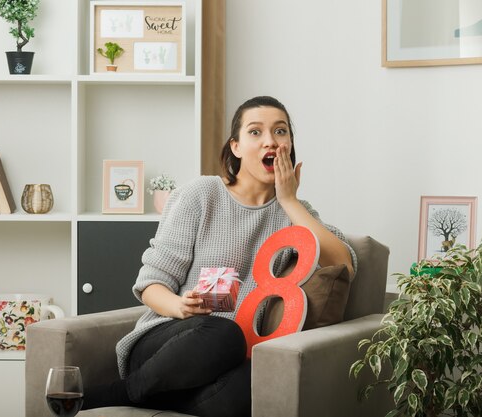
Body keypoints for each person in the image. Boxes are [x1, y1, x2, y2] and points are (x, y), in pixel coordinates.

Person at [82, 96, 357, 416]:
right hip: (169, 342)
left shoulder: (294, 214)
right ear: (236, 147)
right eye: (256, 132)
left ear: (289, 145)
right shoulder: (201, 194)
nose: (270, 140)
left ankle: (163, 400)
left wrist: (290, 201)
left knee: (259, 378)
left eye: (280, 132)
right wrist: (180, 306)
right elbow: (151, 285)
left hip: (230, 359)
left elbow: (343, 264)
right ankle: (124, 391)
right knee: (224, 333)